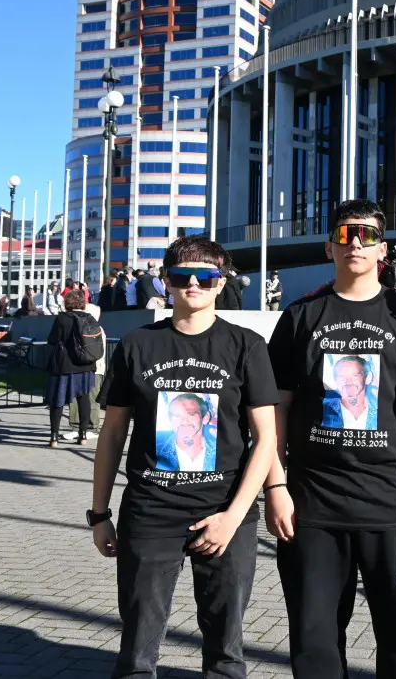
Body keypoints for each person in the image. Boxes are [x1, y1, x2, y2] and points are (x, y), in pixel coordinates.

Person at [265, 199, 396, 679]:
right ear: (329, 246)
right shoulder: (300, 317)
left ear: (383, 248)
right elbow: (275, 409)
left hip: (395, 505)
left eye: (366, 235)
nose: (356, 244)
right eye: (345, 235)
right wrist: (275, 486)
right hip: (312, 507)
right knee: (314, 641)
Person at [91, 235, 279, 678]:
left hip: (224, 512)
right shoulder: (137, 344)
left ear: (221, 283)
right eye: (181, 275)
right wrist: (99, 513)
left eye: (205, 276)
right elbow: (112, 433)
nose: (192, 283)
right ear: (166, 283)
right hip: (150, 512)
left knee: (225, 650)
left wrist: (233, 516)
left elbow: (266, 439)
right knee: (137, 648)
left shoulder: (246, 345)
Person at [44, 290, 100, 448]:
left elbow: (53, 339)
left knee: (58, 400)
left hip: (64, 365)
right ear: (82, 303)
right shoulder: (89, 318)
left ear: (67, 303)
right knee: (84, 398)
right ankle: (82, 436)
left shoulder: (62, 318)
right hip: (85, 365)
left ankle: (54, 437)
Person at [321, 355, 379, 430]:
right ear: (335, 381)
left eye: (355, 375)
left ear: (368, 378)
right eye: (342, 377)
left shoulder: (382, 411)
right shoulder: (323, 410)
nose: (348, 382)